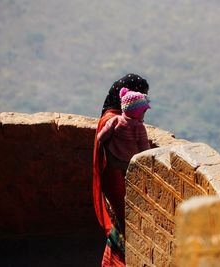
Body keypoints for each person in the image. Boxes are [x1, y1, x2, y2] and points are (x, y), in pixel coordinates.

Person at [93, 74, 150, 266]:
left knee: (122, 226)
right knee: (125, 225)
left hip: (116, 178)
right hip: (117, 180)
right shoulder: (115, 119)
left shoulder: (113, 118)